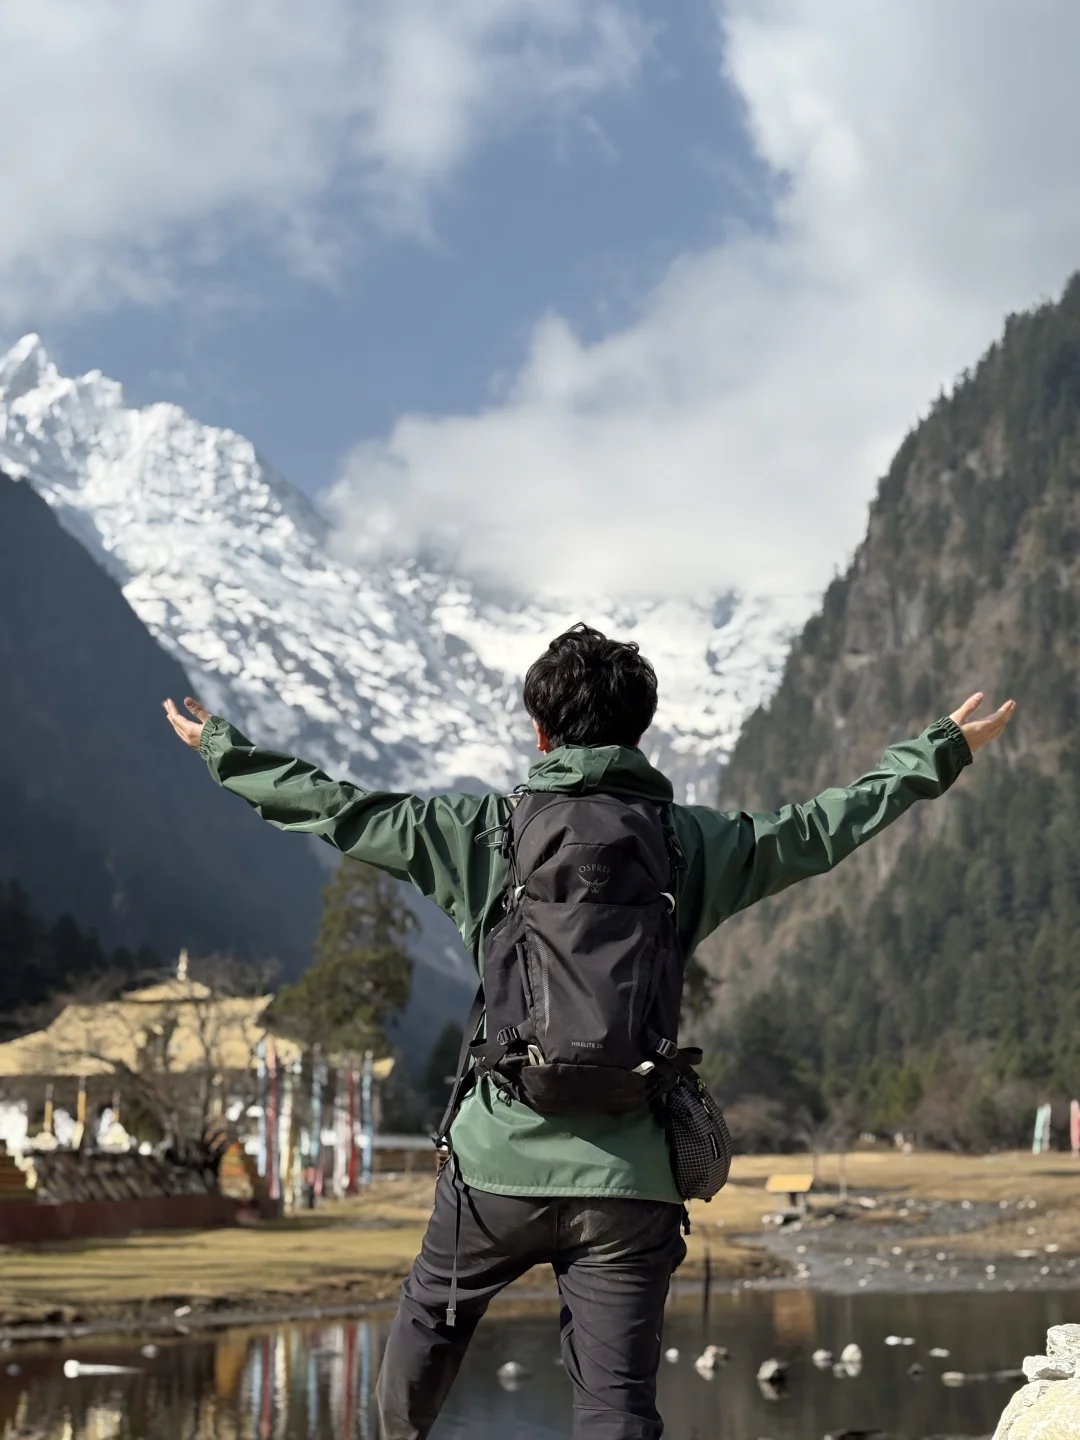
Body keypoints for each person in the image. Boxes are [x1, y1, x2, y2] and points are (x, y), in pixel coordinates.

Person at [164, 623, 1014, 1439]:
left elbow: (339, 810)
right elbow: (822, 828)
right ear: (641, 734)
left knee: (429, 1317)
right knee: (615, 1409)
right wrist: (936, 752)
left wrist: (223, 752)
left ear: (540, 733)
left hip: (495, 1170)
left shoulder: (479, 834)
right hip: (632, 1180)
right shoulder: (691, 844)